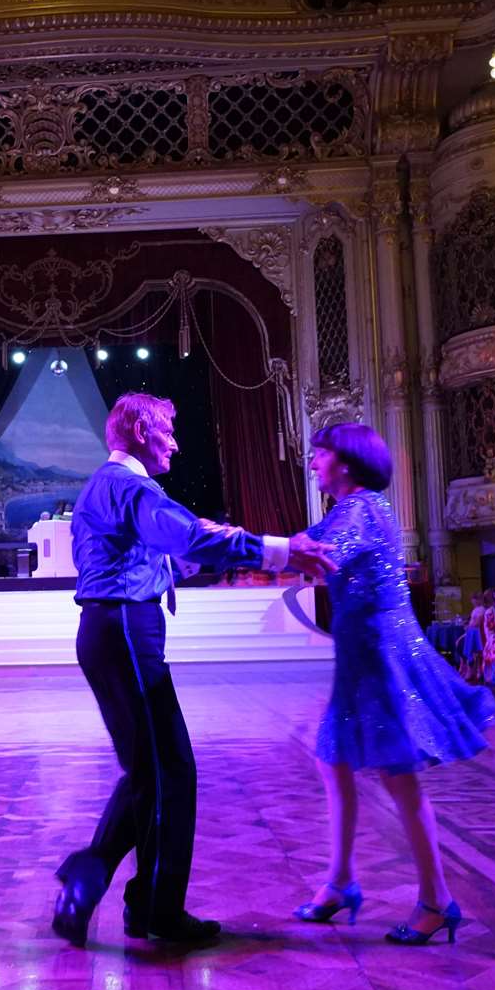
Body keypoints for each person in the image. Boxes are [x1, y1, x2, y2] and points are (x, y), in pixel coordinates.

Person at [51, 393, 335, 948]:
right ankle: (151, 908)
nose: (176, 443)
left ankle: (118, 892)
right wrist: (278, 550)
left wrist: (210, 538)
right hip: (128, 630)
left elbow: (170, 542)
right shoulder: (131, 488)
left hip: (109, 632)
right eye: (167, 432)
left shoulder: (101, 488)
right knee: (167, 772)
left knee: (155, 773)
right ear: (138, 429)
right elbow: (186, 539)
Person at [289, 422, 494, 945]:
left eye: (320, 454)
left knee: (398, 776)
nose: (313, 463)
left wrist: (229, 544)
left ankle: (436, 899)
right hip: (363, 653)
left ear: (347, 462)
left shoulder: (358, 510)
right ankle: (339, 882)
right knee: (331, 759)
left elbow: (309, 553)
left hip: (380, 656)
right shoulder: (361, 508)